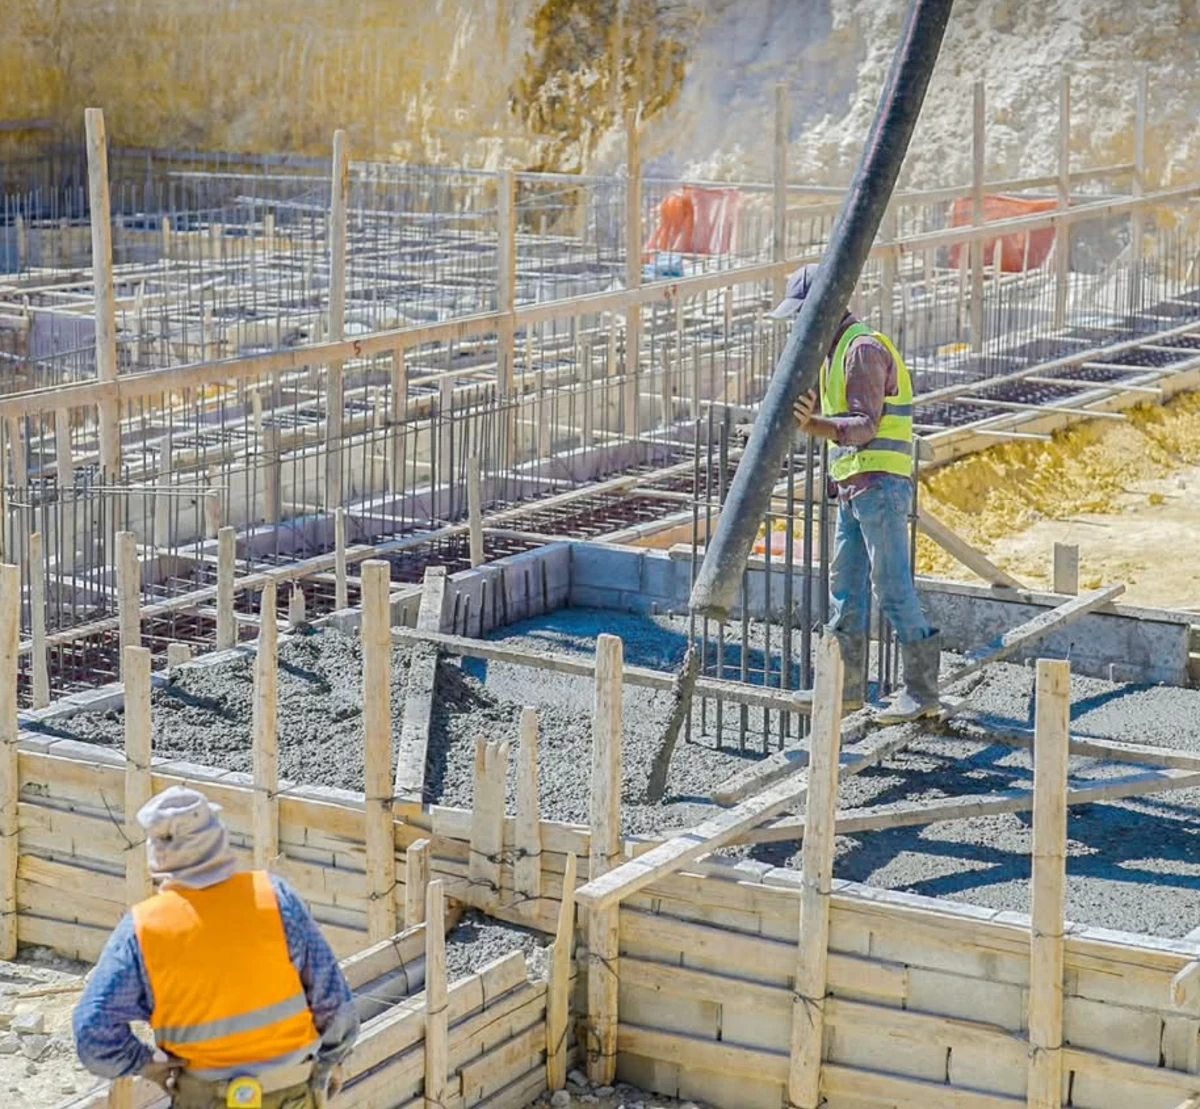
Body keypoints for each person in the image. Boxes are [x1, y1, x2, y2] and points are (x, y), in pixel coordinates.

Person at [73, 785, 359, 1109]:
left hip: (204, 1097)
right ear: (219, 837)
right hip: (291, 1094)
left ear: (155, 854)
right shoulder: (275, 899)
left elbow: (92, 1033)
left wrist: (148, 1065)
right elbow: (335, 1003)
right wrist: (329, 1062)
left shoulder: (142, 930)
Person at [769, 263, 941, 722]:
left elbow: (865, 426)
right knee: (844, 587)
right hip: (854, 488)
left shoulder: (860, 349)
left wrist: (813, 425)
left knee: (891, 586)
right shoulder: (837, 351)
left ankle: (922, 692)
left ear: (827, 309)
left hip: (879, 486)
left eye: (804, 314)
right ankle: (844, 689)